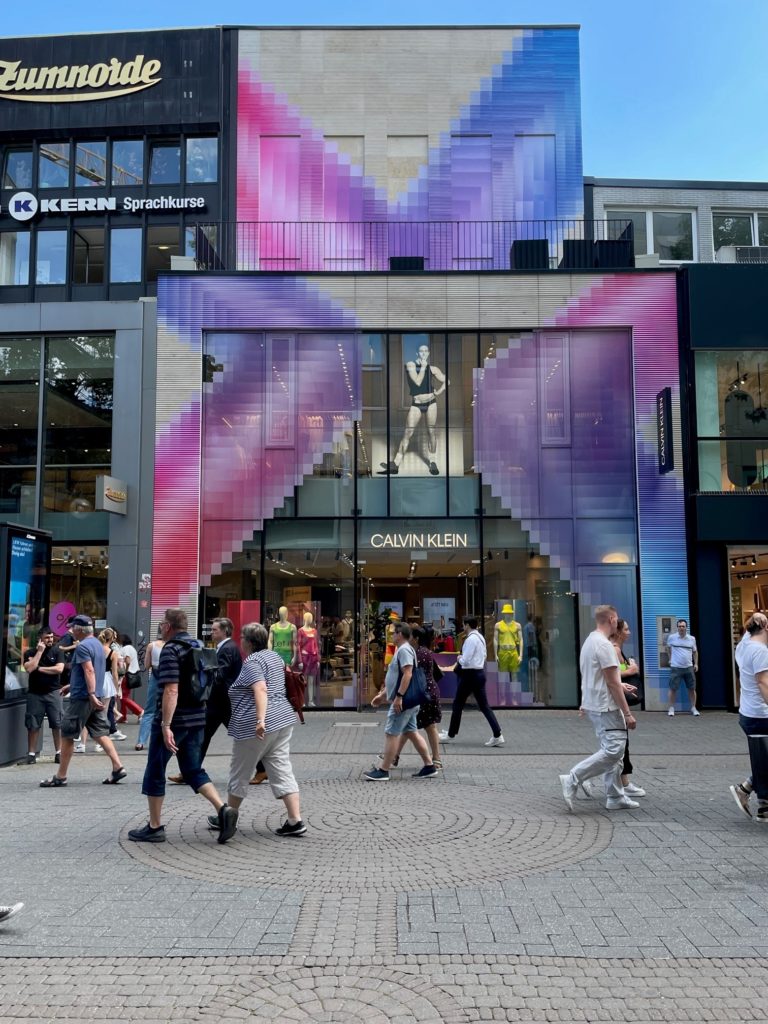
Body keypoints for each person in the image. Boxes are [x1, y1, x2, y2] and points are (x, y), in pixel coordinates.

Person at [128, 607, 234, 844]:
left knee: (155, 769)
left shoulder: (170, 650)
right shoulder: (198, 646)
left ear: (168, 626)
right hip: (198, 717)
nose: (160, 628)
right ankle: (223, 809)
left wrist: (166, 725)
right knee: (192, 769)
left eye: (162, 625)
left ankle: (154, 827)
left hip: (174, 721)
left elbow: (171, 689)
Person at [208, 622, 305, 841]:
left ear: (249, 642)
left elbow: (261, 689)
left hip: (256, 726)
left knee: (239, 772)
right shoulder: (275, 657)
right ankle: (295, 820)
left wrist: (260, 719)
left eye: (242, 637)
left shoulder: (252, 662)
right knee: (281, 768)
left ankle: (227, 817)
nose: (240, 640)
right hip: (283, 721)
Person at [559, 605, 638, 812]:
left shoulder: (590, 642)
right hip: (606, 705)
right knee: (614, 749)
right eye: (617, 619)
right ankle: (574, 777)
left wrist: (587, 701)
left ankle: (615, 796)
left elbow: (596, 675)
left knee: (615, 752)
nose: (618, 623)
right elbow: (612, 683)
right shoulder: (604, 645)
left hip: (595, 703)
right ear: (611, 619)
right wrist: (627, 713)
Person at [39, 615, 127, 788]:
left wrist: (90, 694)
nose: (71, 631)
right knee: (100, 733)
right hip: (95, 696)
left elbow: (89, 671)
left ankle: (61, 776)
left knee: (67, 734)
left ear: (79, 630)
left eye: (73, 628)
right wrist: (73, 686)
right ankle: (118, 767)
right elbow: (92, 670)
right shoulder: (97, 645)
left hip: (84, 698)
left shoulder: (82, 647)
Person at [168, 616, 242, 783]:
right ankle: (190, 771)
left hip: (222, 702)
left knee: (239, 735)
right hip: (219, 703)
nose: (212, 633)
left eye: (215, 630)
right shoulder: (225, 647)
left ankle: (262, 767)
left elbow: (220, 675)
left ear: (225, 631)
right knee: (203, 737)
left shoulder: (228, 648)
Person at [364, 622, 438, 781]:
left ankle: (383, 770)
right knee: (411, 732)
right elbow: (395, 677)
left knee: (391, 733)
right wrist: (383, 695)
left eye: (393, 633)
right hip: (407, 702)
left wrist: (398, 697)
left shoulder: (404, 650)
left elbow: (407, 674)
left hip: (403, 702)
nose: (391, 636)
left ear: (400, 634)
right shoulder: (405, 649)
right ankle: (429, 766)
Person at [379, 342, 446, 476]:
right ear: (417, 353)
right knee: (407, 433)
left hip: (431, 403)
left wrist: (438, 391)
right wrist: (423, 367)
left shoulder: (433, 369)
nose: (424, 353)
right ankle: (396, 464)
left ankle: (432, 462)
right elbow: (417, 382)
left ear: (428, 353)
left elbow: (447, 380)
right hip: (417, 404)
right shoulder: (410, 365)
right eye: (421, 351)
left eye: (426, 351)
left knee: (431, 432)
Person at [438, 616, 504, 747]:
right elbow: (483, 656)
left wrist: (459, 657)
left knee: (458, 704)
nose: (463, 627)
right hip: (479, 673)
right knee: (484, 706)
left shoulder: (470, 640)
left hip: (469, 675)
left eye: (463, 624)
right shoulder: (480, 638)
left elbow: (466, 660)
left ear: (467, 625)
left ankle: (450, 734)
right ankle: (497, 734)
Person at [729, 612, 768, 822]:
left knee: (764, 759)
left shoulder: (743, 646)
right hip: (760, 714)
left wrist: (756, 616)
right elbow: (763, 682)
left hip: (748, 712)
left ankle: (751, 793)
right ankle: (752, 794)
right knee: (764, 759)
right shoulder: (760, 651)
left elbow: (748, 631)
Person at [390, 625, 444, 770]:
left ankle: (434, 759)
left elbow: (408, 674)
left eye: (411, 637)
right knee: (411, 727)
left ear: (417, 639)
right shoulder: (424, 652)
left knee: (424, 726)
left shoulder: (417, 653)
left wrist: (399, 694)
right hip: (427, 692)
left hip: (422, 694)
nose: (409, 639)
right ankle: (395, 756)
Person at [608, 619, 645, 799]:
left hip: (620, 702)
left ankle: (623, 781)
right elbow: (611, 674)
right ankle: (623, 783)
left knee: (622, 744)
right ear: (619, 631)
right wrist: (631, 670)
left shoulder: (618, 650)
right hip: (616, 704)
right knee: (618, 745)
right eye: (627, 629)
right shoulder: (614, 650)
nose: (629, 632)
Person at [23, 627, 65, 765]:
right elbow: (29, 668)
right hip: (35, 694)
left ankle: (59, 753)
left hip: (53, 692)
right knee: (33, 724)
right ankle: (31, 754)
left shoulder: (57, 651)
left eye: (52, 637)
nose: (50, 640)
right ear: (40, 638)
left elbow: (59, 669)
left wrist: (39, 668)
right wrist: (39, 652)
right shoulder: (30, 652)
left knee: (57, 723)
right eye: (47, 637)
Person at [136, 624, 164, 751]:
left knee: (149, 711)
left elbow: (147, 665)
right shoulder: (173, 645)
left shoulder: (151, 645)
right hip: (171, 679)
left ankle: (141, 742)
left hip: (155, 677)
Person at [666, 618, 700, 716]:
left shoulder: (692, 639)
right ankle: (671, 708)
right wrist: (670, 659)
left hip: (689, 667)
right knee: (673, 688)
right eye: (680, 626)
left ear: (686, 628)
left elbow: (695, 652)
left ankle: (693, 708)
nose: (681, 628)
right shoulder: (672, 637)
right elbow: (668, 648)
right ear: (677, 627)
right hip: (676, 667)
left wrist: (696, 664)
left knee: (692, 688)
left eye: (683, 626)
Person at [117, 634, 144, 724]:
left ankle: (140, 711)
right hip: (132, 674)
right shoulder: (131, 648)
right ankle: (123, 717)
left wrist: (124, 671)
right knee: (124, 697)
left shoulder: (126, 648)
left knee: (123, 697)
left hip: (127, 674)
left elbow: (127, 660)